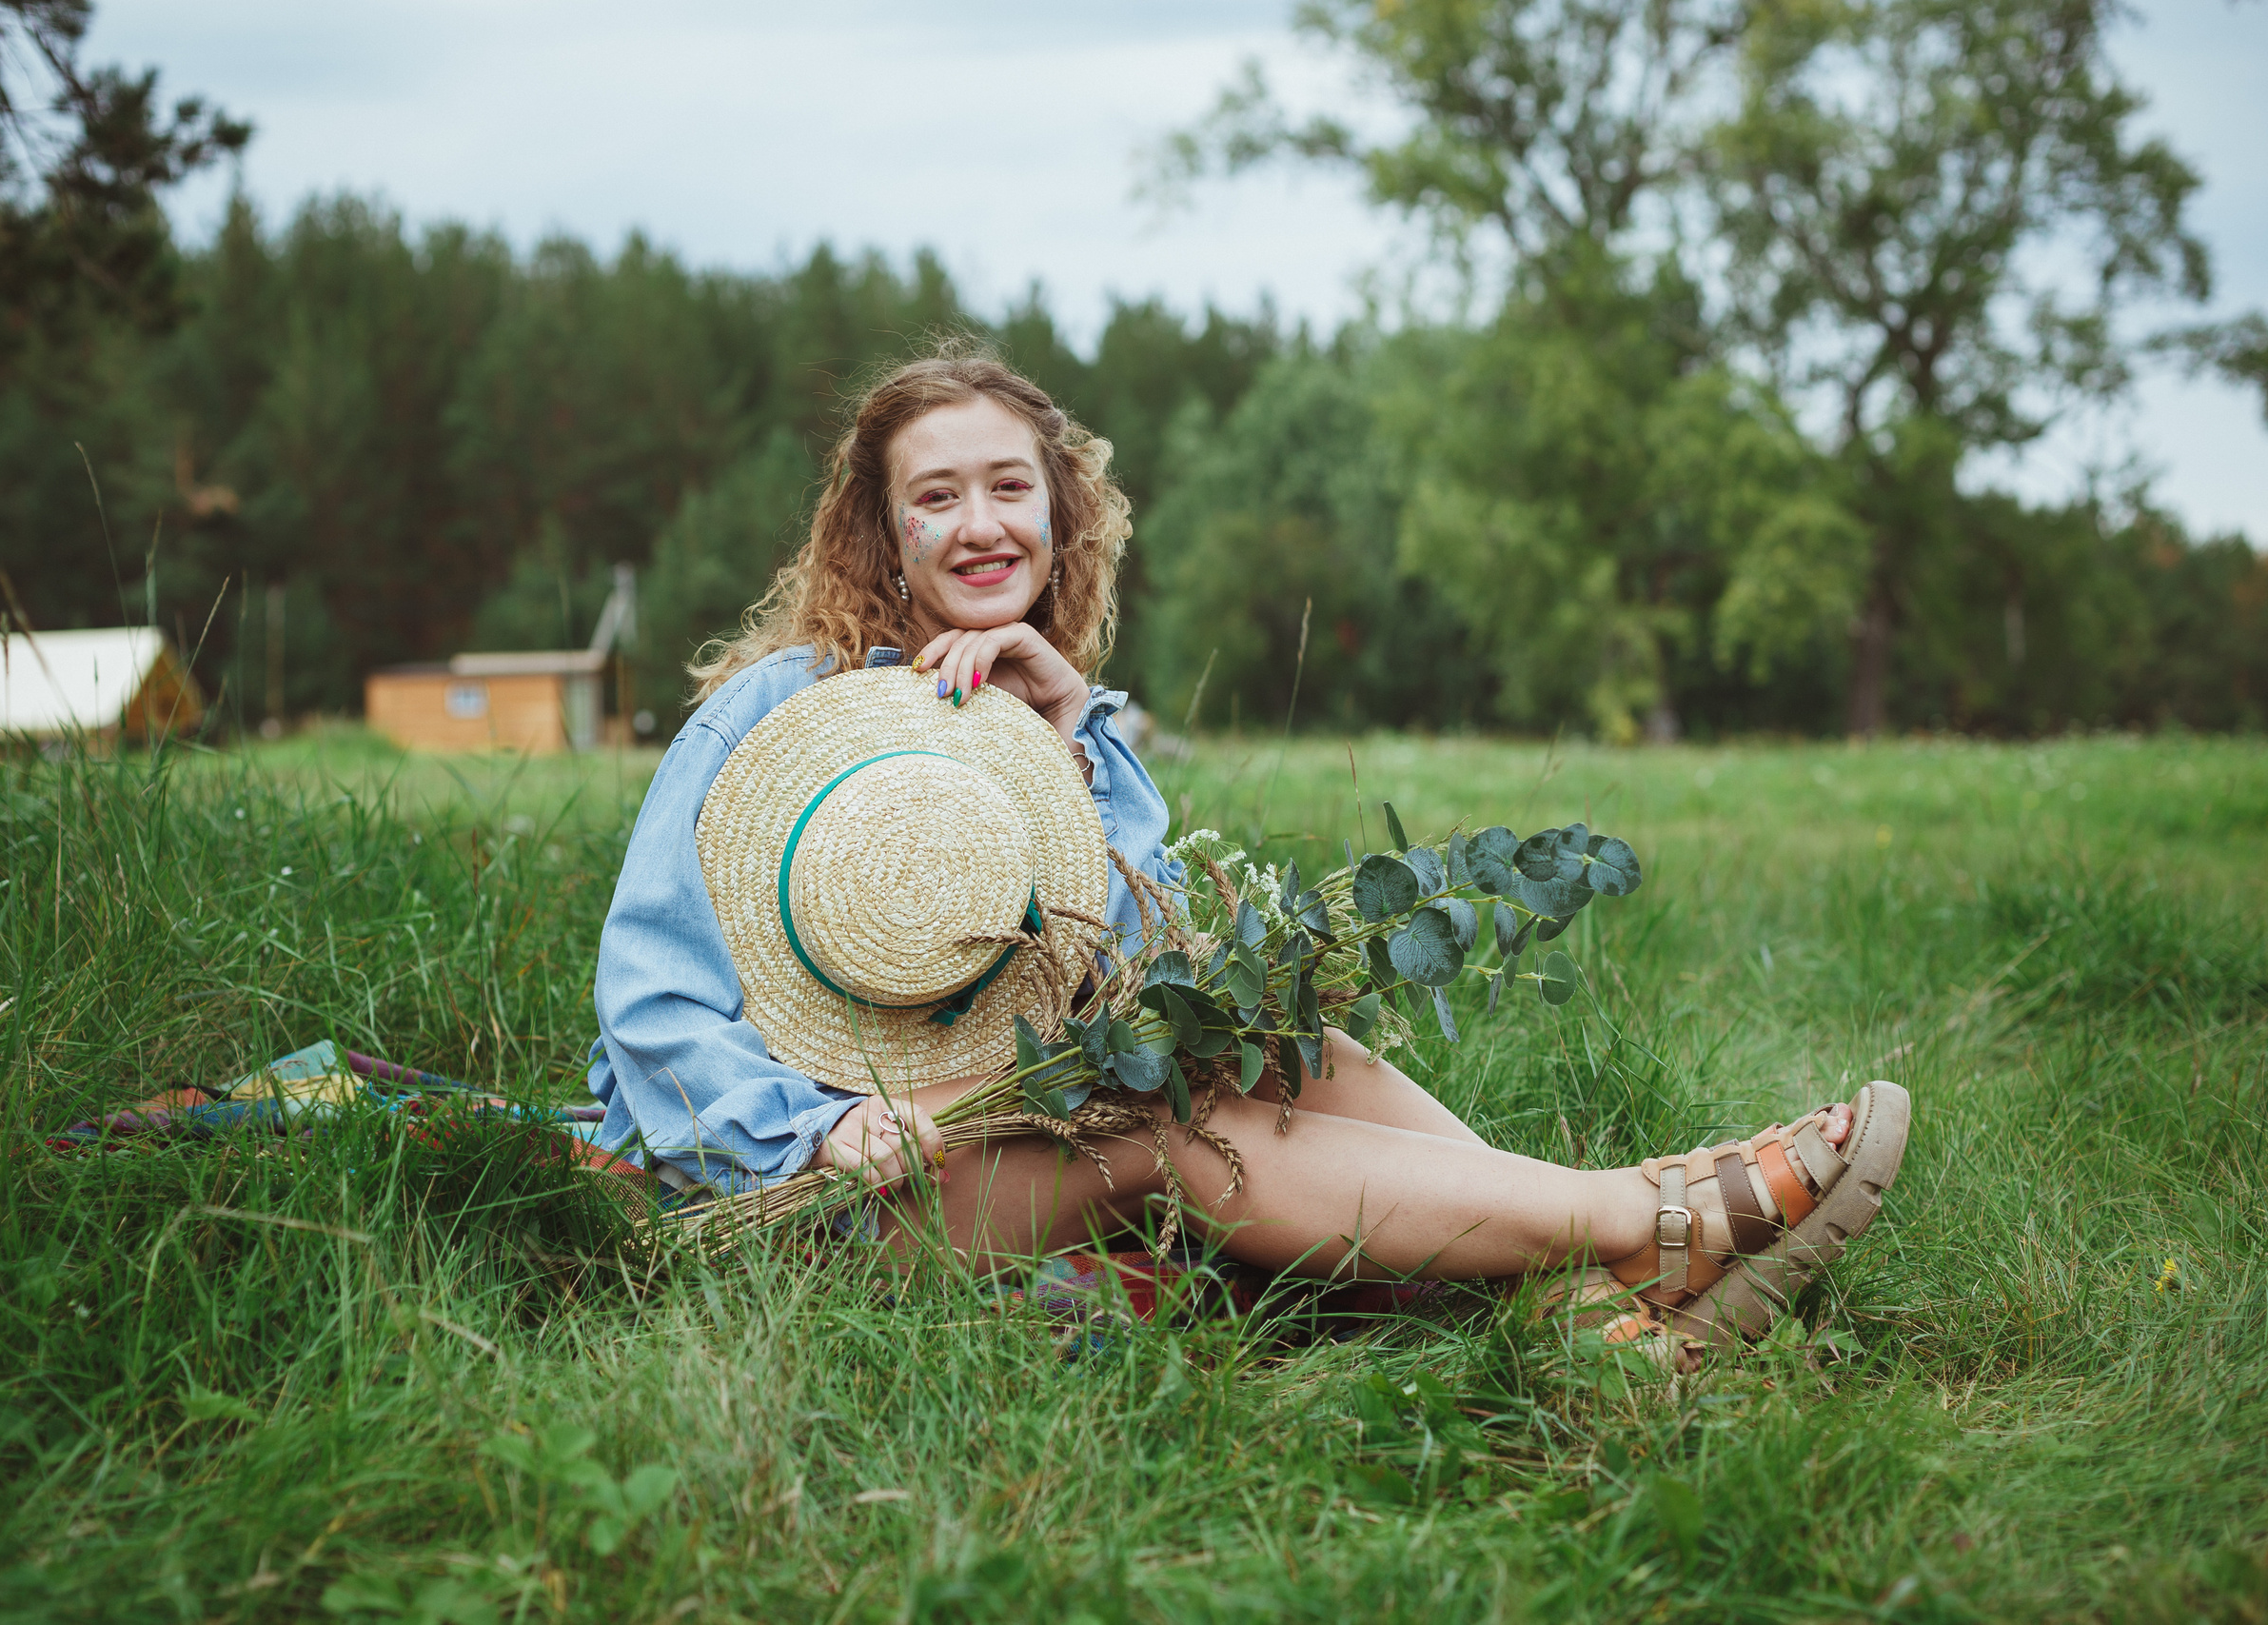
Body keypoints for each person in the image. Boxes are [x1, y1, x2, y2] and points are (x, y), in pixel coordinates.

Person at [586, 346, 1908, 1356]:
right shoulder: (772, 723)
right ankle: (1644, 1219)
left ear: (1061, 518)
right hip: (823, 1204)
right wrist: (817, 1134)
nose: (981, 522)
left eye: (1010, 486)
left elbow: (1151, 1002)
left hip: (1010, 1141)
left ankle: (1575, 1293)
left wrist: (1064, 745)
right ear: (887, 532)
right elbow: (650, 999)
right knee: (1176, 1136)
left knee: (1286, 1053)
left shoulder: (1067, 726)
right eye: (937, 496)